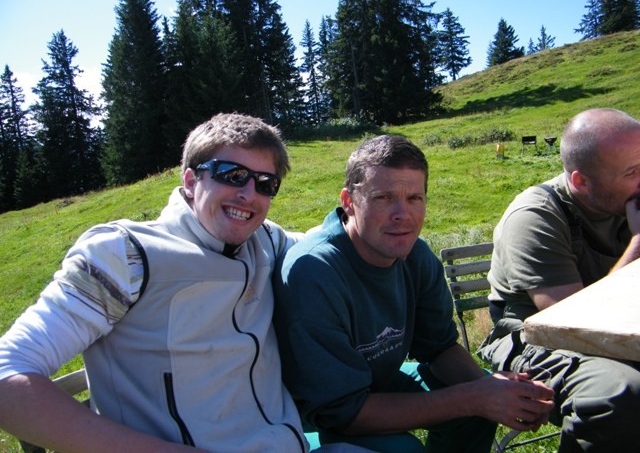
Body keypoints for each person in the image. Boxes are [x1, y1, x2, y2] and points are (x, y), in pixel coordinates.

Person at [0, 113, 314, 452]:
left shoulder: (265, 241)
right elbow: (6, 372)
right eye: (232, 175)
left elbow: (327, 242)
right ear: (191, 181)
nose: (249, 194)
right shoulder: (125, 255)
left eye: (265, 183)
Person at [273, 134, 555, 453]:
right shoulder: (314, 272)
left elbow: (439, 347)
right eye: (384, 197)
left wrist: (490, 389)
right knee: (404, 446)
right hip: (306, 412)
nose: (402, 214)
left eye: (414, 198)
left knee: (477, 404)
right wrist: (472, 397)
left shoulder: (415, 256)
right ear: (348, 202)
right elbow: (341, 412)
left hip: (374, 380)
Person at [479, 108, 640, 452]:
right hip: (534, 339)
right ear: (581, 181)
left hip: (623, 332)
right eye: (632, 172)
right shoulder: (535, 217)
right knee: (620, 391)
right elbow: (575, 325)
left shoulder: (627, 201)